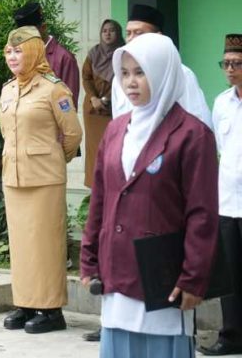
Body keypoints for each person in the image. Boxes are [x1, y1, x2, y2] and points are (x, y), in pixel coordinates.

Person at [80, 33, 219, 358]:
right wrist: (89, 258)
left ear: (163, 72)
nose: (130, 82)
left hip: (163, 280)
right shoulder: (116, 130)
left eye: (140, 72)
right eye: (125, 73)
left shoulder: (192, 135)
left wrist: (193, 278)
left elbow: (202, 214)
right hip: (116, 273)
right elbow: (100, 199)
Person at [0, 26, 83, 334]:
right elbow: (7, 132)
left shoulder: (53, 89)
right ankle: (25, 303)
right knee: (21, 244)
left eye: (19, 51)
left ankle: (50, 310)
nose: (12, 57)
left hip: (45, 179)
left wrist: (53, 157)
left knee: (46, 244)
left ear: (34, 52)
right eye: (9, 52)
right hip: (14, 177)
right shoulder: (8, 90)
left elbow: (73, 134)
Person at [200, 34, 242, 356]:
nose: (230, 69)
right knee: (231, 275)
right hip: (228, 202)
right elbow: (219, 150)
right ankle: (231, 336)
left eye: (236, 63)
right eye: (225, 63)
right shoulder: (221, 103)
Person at [110, 4, 212, 128]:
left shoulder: (180, 74)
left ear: (158, 37)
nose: (131, 39)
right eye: (128, 33)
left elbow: (200, 123)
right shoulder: (119, 78)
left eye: (138, 33)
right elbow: (119, 126)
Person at [82, 19, 124, 188]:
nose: (107, 33)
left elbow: (124, 80)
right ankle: (95, 188)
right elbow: (86, 78)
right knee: (95, 150)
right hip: (93, 109)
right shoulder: (94, 53)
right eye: (104, 30)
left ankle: (113, 187)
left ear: (118, 33)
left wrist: (107, 99)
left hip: (113, 109)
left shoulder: (123, 54)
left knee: (113, 149)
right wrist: (93, 98)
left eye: (112, 30)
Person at [13, 1, 80, 108]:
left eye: (30, 34)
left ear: (43, 27)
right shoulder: (20, 56)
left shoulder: (64, 58)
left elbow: (68, 106)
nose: (26, 39)